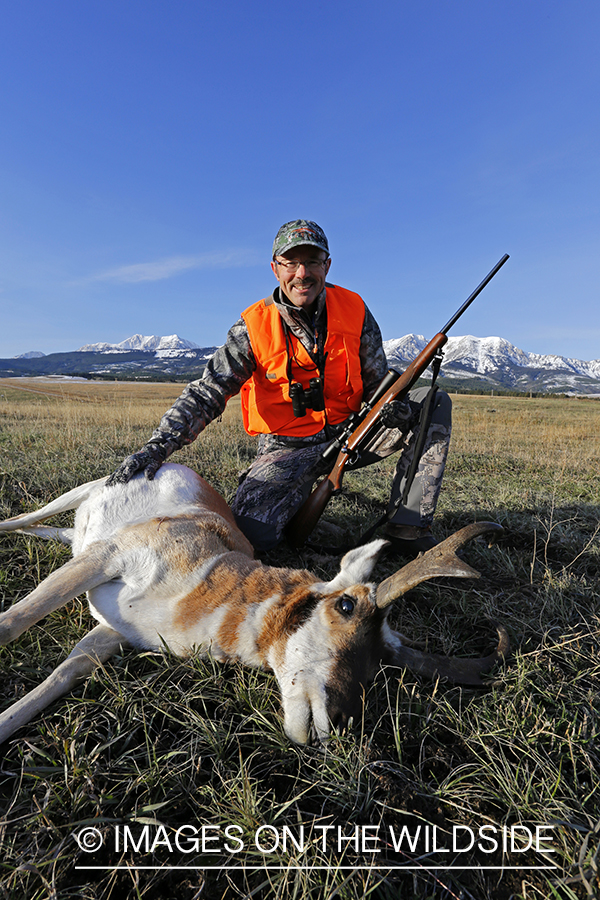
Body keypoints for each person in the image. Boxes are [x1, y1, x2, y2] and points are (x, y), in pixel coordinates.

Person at [108, 220, 452, 555]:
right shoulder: (253, 326)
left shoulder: (356, 310)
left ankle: (408, 527)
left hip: (355, 431)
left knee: (431, 401)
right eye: (291, 263)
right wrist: (155, 449)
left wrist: (398, 410)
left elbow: (379, 383)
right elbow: (207, 392)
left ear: (327, 266)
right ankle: (297, 498)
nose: (302, 273)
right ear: (276, 269)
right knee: (252, 536)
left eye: (312, 262)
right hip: (286, 448)